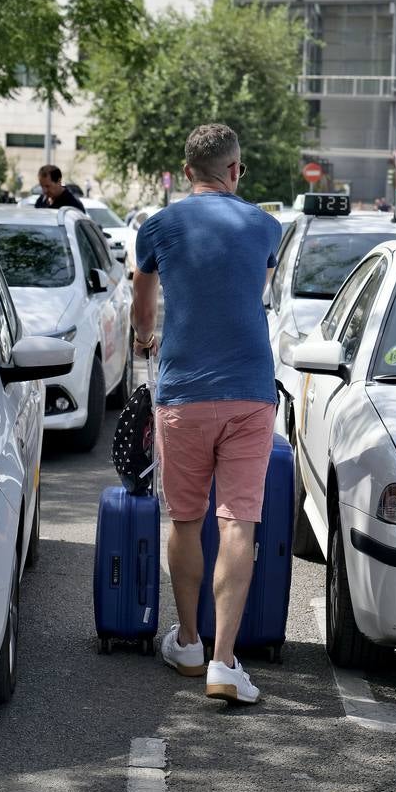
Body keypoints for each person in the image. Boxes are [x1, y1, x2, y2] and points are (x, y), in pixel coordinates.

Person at [131, 123, 281, 705]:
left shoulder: (158, 226)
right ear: (236, 171)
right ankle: (225, 664)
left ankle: (189, 641)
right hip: (249, 392)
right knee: (238, 522)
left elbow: (143, 306)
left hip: (184, 393)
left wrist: (147, 338)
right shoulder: (267, 225)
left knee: (186, 521)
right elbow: (252, 286)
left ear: (186, 170)